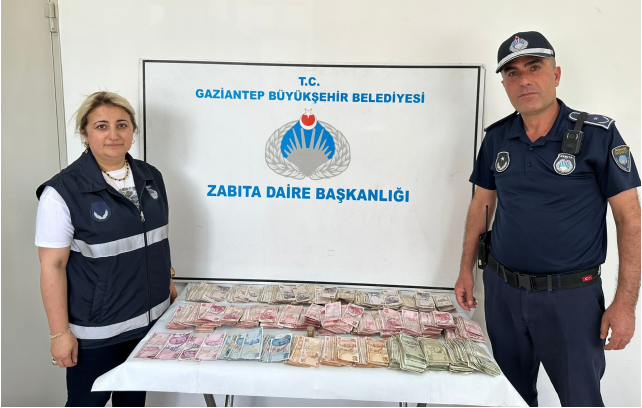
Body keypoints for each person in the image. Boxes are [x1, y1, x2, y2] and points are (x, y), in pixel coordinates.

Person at [455, 32, 641, 407]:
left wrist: (624, 304)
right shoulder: (497, 138)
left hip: (571, 299)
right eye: (512, 73)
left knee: (581, 400)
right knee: (509, 398)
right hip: (503, 294)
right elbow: (481, 205)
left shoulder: (598, 135)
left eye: (534, 68)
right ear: (504, 84)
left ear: (555, 75)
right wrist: (465, 271)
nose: (524, 80)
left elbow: (630, 220)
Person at [36, 91, 178, 406]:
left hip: (149, 324)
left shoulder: (151, 177)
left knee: (133, 404)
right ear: (84, 133)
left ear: (132, 131)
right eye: (101, 126)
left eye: (122, 125)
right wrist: (59, 334)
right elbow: (52, 266)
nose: (113, 134)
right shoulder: (62, 192)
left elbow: (155, 240)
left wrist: (166, 279)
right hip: (97, 334)